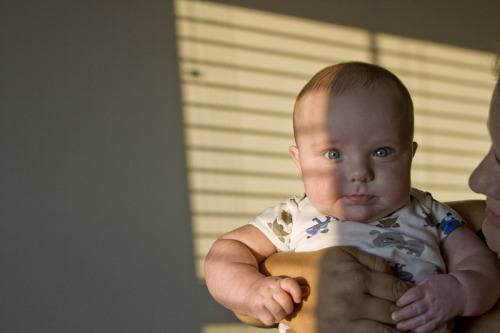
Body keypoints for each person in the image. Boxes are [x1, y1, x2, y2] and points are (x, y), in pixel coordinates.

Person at [204, 62, 500, 333]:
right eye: (333, 154)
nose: (359, 173)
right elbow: (227, 251)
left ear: (410, 155)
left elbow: (482, 264)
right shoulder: (293, 215)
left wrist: (459, 290)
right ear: (300, 161)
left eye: (381, 152)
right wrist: (251, 290)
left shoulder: (430, 212)